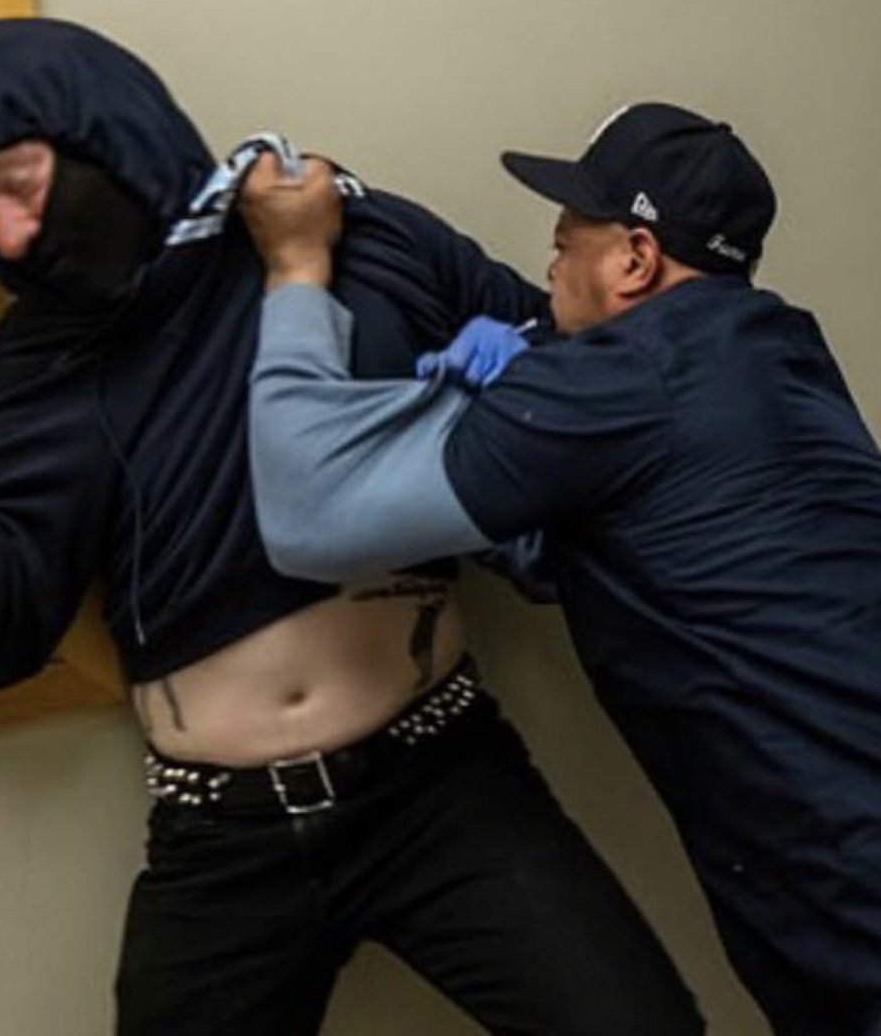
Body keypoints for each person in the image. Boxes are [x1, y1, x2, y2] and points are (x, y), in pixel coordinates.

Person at [0, 21, 702, 1036]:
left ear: (100, 132)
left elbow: (582, 370)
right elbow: (2, 628)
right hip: (220, 837)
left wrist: (524, 367)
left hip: (442, 784)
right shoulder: (47, 360)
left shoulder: (351, 236)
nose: (13, 236)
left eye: (18, 183)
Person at [243, 101, 881, 1036]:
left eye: (562, 242)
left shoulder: (621, 385)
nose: (547, 273)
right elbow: (643, 549)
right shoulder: (778, 349)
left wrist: (295, 274)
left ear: (632, 259)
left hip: (848, 875)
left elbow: (305, 517)